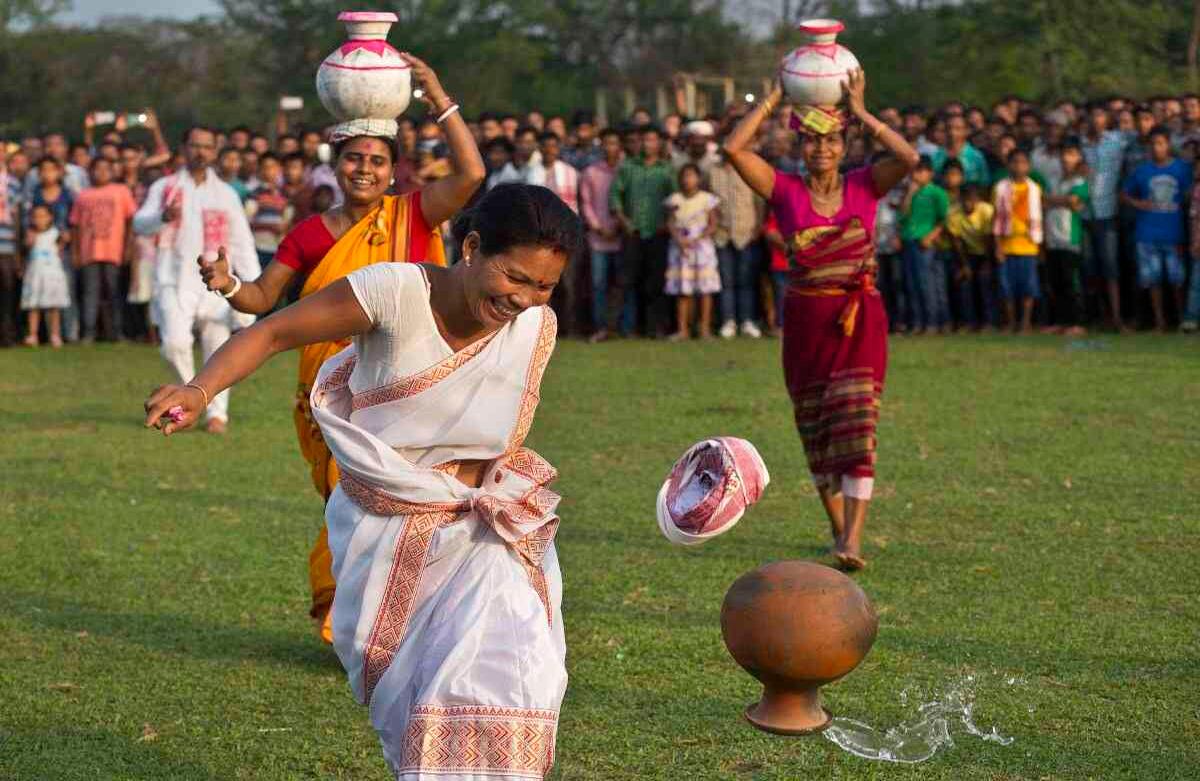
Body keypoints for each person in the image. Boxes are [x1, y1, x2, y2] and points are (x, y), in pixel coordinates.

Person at [145, 184, 580, 781]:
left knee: (518, 673)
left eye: (544, 286)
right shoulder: (394, 292)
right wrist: (199, 390)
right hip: (384, 528)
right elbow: (272, 332)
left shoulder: (535, 328)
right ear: (473, 247)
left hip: (485, 537)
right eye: (514, 277)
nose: (525, 299)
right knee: (420, 700)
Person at [197, 53, 485, 644]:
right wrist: (226, 282)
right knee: (349, 499)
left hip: (409, 383)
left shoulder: (414, 212)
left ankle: (409, 621)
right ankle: (354, 620)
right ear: (336, 164)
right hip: (330, 391)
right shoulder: (309, 232)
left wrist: (436, 93)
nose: (364, 169)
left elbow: (472, 174)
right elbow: (262, 300)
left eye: (377, 161)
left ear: (392, 171)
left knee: (412, 500)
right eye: (354, 158)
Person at [724, 68, 918, 570]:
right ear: (800, 147)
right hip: (807, 320)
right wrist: (769, 100)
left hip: (860, 319)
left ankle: (853, 538)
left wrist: (862, 113)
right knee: (815, 427)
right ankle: (837, 530)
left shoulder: (864, 185)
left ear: (844, 144)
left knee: (857, 421)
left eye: (831, 141)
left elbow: (908, 157)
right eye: (811, 142)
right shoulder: (785, 190)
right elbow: (734, 151)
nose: (821, 151)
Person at [133, 126, 261, 434]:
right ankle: (187, 401)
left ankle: (217, 414)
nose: (200, 152)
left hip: (214, 282)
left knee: (218, 350)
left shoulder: (226, 194)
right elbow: (140, 223)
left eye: (207, 146)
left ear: (214, 151)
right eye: (195, 145)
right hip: (172, 278)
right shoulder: (166, 187)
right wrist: (162, 217)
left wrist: (256, 286)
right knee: (175, 344)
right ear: (184, 148)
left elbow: (241, 241)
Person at [1121, 126, 1192, 332]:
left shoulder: (1182, 169)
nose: (1156, 147)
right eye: (1152, 143)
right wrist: (1138, 203)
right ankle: (1159, 321)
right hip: (1146, 233)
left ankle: (1181, 320)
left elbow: (1190, 192)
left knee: (1177, 280)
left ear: (1168, 144)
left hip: (1174, 233)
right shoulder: (1142, 171)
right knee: (1152, 281)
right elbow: (1123, 195)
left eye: (1160, 143)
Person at [610, 124, 675, 337]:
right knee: (624, 281)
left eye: (653, 140)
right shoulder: (627, 167)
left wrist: (668, 222)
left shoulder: (666, 169)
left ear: (659, 144)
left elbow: (675, 201)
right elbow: (615, 197)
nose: (648, 144)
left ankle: (654, 328)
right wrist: (623, 221)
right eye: (644, 140)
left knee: (655, 282)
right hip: (633, 232)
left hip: (658, 233)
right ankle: (611, 327)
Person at [70, 157, 138, 342]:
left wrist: (128, 247)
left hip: (114, 251)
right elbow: (75, 226)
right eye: (97, 169)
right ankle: (88, 333)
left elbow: (131, 221)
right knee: (90, 293)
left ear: (113, 171)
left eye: (106, 169)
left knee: (115, 292)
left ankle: (117, 332)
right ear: (90, 172)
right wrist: (76, 252)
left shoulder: (121, 191)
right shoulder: (83, 195)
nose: (101, 172)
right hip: (89, 252)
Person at [1082, 102, 1131, 331]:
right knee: (1090, 268)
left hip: (1107, 212)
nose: (1095, 120)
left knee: (1111, 267)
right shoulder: (1079, 143)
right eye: (1092, 116)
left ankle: (1118, 317)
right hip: (1083, 214)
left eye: (1100, 115)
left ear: (1106, 119)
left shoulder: (1119, 140)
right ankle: (1098, 317)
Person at [709, 147, 765, 338]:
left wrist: (758, 226)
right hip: (721, 234)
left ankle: (747, 321)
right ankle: (728, 321)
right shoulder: (712, 171)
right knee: (726, 281)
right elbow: (707, 202)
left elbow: (759, 201)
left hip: (746, 232)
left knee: (746, 280)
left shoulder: (748, 168)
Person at [579, 128, 628, 342]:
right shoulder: (591, 172)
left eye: (615, 143)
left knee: (622, 284)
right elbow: (586, 203)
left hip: (621, 235)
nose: (611, 147)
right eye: (607, 143)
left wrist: (618, 225)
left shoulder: (626, 170)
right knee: (598, 285)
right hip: (598, 238)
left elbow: (629, 202)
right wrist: (598, 227)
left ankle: (624, 327)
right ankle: (600, 327)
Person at [664, 163, 721, 340]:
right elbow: (670, 222)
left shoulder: (707, 199)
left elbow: (713, 224)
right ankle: (683, 329)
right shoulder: (674, 199)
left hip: (702, 245)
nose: (687, 180)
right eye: (684, 176)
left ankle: (704, 329)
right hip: (680, 245)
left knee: (705, 289)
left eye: (691, 176)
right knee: (683, 288)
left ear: (698, 178)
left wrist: (699, 238)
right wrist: (678, 239)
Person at [1042, 139, 1090, 335]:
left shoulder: (1080, 181)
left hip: (1070, 238)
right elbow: (1043, 201)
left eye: (1070, 154)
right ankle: (1061, 322)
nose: (1065, 158)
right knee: (1056, 282)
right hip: (1052, 237)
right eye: (1063, 154)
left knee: (1072, 282)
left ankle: (1077, 322)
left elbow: (1075, 202)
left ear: (1078, 157)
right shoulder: (1053, 179)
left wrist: (1055, 201)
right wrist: (1063, 201)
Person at [993, 148, 1043, 333]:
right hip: (1007, 245)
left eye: (1022, 162)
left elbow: (1038, 218)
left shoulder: (1034, 188)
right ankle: (1011, 321)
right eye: (1015, 162)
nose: (1019, 166)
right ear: (1008, 165)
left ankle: (1025, 322)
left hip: (1028, 245)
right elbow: (997, 218)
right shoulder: (1000, 188)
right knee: (1006, 289)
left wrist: (1040, 246)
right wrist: (997, 245)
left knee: (1028, 289)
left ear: (1028, 166)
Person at [27, 156, 76, 340]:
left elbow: (74, 221)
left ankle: (68, 333)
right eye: (44, 170)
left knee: (64, 293)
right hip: (39, 254)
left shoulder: (67, 194)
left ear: (59, 171)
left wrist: (68, 239)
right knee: (37, 297)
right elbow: (28, 220)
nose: (48, 173)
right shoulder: (35, 194)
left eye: (51, 169)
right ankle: (37, 334)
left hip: (62, 250)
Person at [899, 156, 949, 335]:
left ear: (930, 173)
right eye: (914, 171)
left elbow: (943, 219)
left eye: (920, 171)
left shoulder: (937, 193)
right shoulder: (908, 192)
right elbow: (902, 216)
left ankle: (933, 322)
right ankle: (917, 322)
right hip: (908, 240)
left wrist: (931, 236)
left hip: (925, 242)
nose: (916, 175)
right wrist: (910, 194)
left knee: (927, 284)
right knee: (911, 284)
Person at [946, 184, 996, 330]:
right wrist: (964, 265)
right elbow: (956, 242)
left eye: (972, 200)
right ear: (961, 200)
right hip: (966, 253)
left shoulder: (987, 211)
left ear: (978, 200)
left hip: (986, 252)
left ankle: (988, 322)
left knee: (984, 284)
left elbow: (990, 239)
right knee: (964, 286)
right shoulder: (954, 213)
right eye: (966, 200)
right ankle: (968, 322)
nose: (969, 204)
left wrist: (987, 263)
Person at [20, 203, 70, 347]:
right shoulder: (31, 234)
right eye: (35, 217)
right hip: (35, 275)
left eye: (43, 216)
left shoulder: (55, 233)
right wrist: (29, 241)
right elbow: (26, 250)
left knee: (53, 307)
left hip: (52, 276)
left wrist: (65, 240)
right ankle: (33, 335)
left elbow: (62, 247)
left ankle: (55, 335)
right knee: (33, 306)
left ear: (50, 217)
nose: (39, 220)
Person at [244, 153, 293, 270]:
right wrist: (271, 226)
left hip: (278, 248)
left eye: (273, 167)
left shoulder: (285, 194)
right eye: (265, 167)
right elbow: (246, 219)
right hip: (258, 246)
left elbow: (288, 219)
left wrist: (284, 227)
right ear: (260, 170)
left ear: (279, 169)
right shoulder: (254, 194)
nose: (269, 171)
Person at [0, 145, 23, 346]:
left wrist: (17, 250)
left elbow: (16, 218)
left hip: (6, 246)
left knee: (8, 292)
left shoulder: (13, 184)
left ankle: (7, 335)